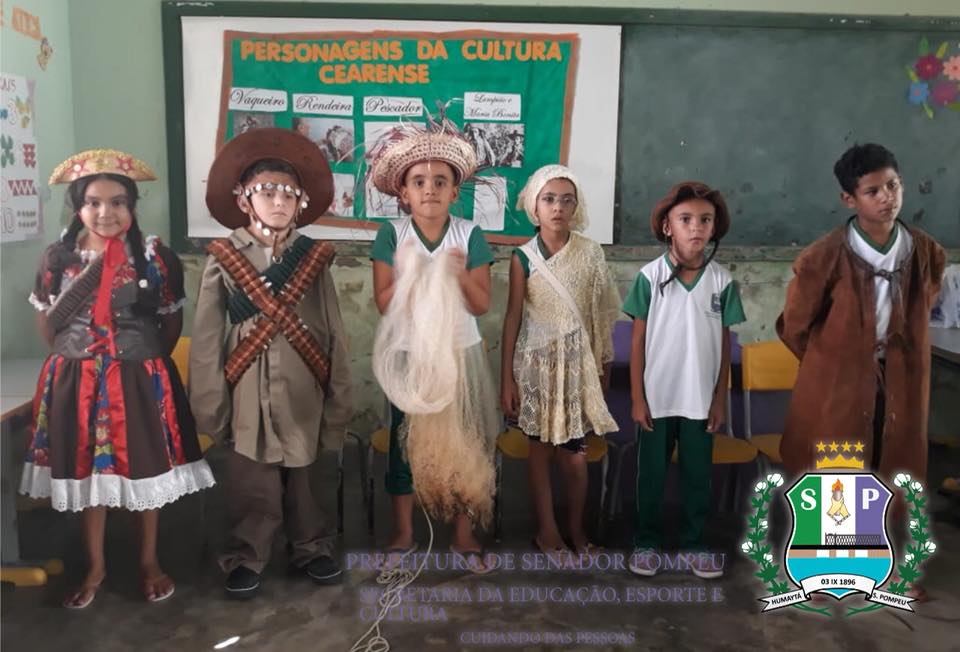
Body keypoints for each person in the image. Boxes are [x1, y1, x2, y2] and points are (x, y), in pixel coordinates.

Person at [22, 149, 215, 608]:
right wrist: (78, 361)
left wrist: (143, 363)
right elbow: (48, 325)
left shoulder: (155, 259)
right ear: (78, 207)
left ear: (132, 207)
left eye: (118, 202)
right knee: (88, 473)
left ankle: (149, 560)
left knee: (145, 470)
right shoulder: (58, 259)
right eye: (93, 202)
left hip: (137, 378)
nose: (105, 212)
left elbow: (170, 323)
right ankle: (95, 566)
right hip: (77, 381)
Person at [190, 128, 352, 599]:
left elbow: (333, 328)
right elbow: (206, 335)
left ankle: (312, 545)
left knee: (308, 470)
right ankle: (247, 554)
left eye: (288, 193)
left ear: (301, 203)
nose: (279, 201)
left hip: (304, 375)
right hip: (247, 380)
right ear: (245, 200)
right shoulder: (225, 256)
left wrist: (340, 393)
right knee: (250, 473)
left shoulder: (313, 257)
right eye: (267, 192)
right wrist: (210, 401)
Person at [369, 117, 498, 574]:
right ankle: (404, 533)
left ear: (454, 192)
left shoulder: (468, 236)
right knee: (404, 447)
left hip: (460, 355)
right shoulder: (392, 235)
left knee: (465, 444)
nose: (430, 190)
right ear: (403, 193)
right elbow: (385, 303)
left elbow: (480, 304)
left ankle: (463, 535)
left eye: (440, 182)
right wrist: (412, 272)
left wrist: (455, 273)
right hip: (410, 355)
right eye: (419, 182)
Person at [623, 181, 744, 579]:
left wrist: (719, 400)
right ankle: (646, 542)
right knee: (651, 477)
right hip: (656, 399)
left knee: (697, 478)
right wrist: (637, 398)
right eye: (686, 219)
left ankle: (694, 544)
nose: (696, 228)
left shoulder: (722, 282)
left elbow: (725, 346)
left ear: (715, 228)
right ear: (667, 227)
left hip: (700, 401)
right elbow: (637, 343)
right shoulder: (649, 277)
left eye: (705, 220)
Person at [500, 164, 620, 557]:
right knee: (539, 453)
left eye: (567, 200)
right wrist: (507, 379)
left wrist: (603, 367)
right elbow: (513, 317)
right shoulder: (522, 258)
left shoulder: (590, 253)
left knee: (575, 457)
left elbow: (602, 314)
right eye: (549, 199)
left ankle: (577, 531)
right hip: (536, 368)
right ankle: (547, 532)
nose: (558, 207)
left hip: (577, 368)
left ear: (575, 206)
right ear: (534, 206)